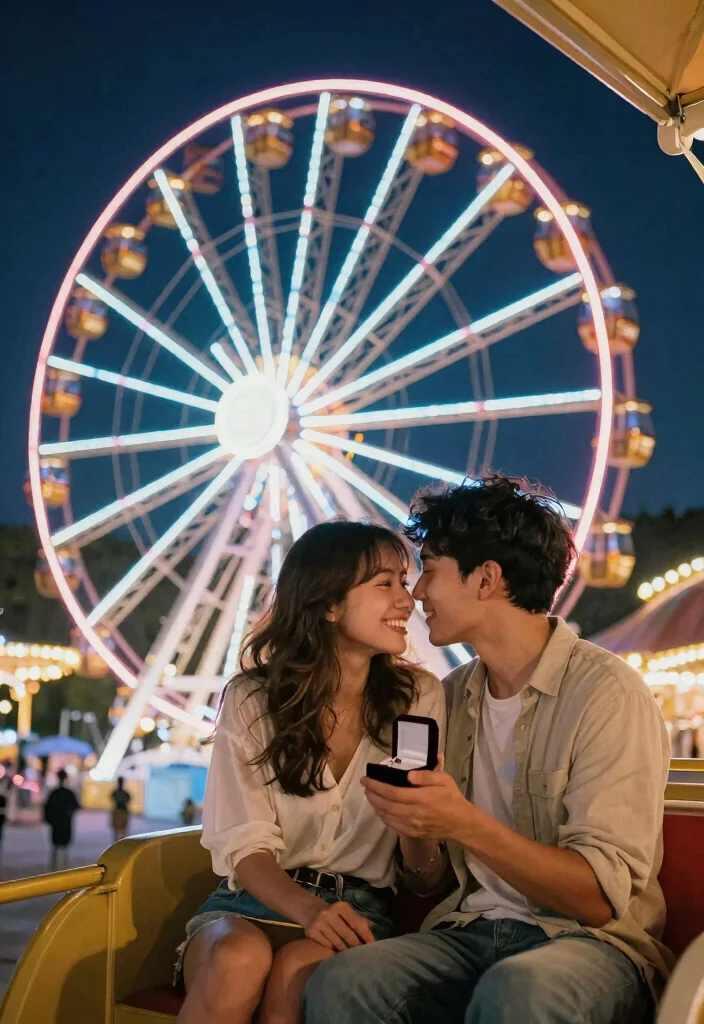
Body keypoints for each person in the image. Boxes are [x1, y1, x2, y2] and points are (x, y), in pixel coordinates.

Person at [305, 476, 673, 1024]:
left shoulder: (607, 693)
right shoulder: (448, 697)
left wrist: (462, 821)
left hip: (589, 944)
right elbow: (427, 882)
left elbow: (597, 899)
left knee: (519, 991)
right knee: (343, 981)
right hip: (468, 931)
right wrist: (414, 825)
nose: (417, 593)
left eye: (430, 570)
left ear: (486, 579)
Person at [176, 521, 446, 1024]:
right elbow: (245, 846)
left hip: (357, 910)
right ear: (329, 604)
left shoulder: (418, 699)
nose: (406, 601)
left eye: (404, 583)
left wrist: (418, 819)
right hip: (249, 902)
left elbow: (425, 879)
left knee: (298, 972)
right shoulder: (253, 699)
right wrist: (309, 911)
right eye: (384, 584)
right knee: (236, 960)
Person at [44, 769, 80, 870]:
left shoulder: (55, 793)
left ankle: (55, 864)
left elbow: (47, 808)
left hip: (57, 822)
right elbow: (76, 806)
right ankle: (64, 863)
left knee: (56, 843)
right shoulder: (68, 793)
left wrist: (49, 819)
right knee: (64, 843)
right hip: (65, 821)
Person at [110, 776, 131, 842]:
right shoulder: (124, 793)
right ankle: (120, 841)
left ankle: (119, 841)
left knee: (120, 829)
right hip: (121, 811)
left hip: (119, 811)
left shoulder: (116, 793)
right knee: (120, 829)